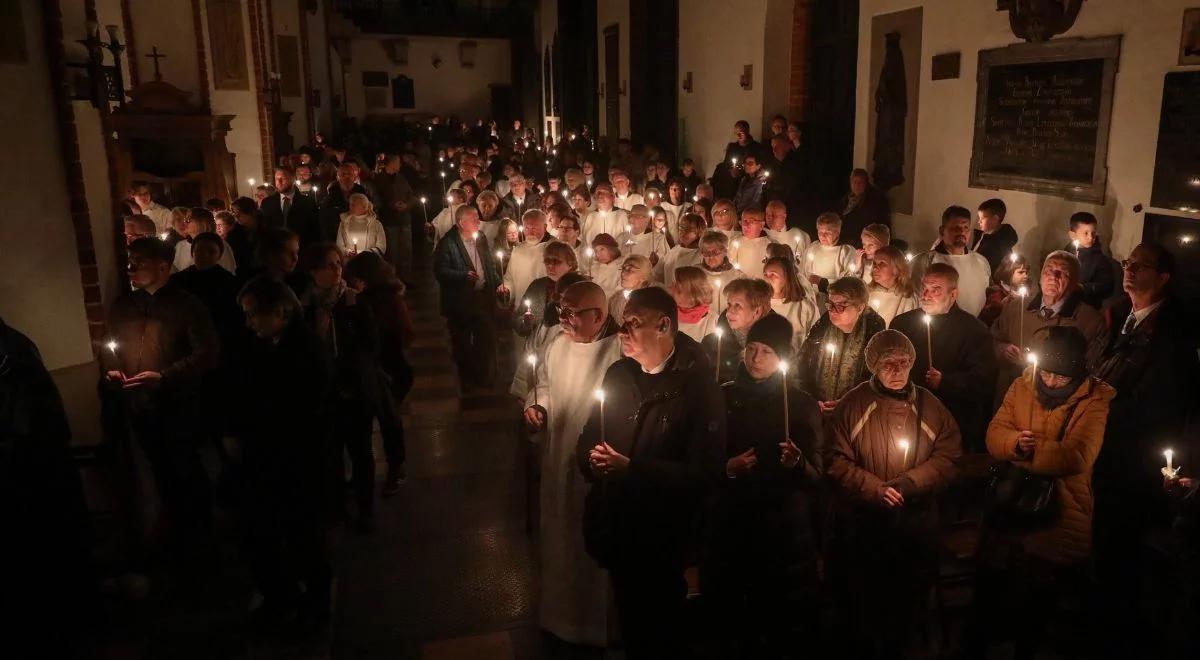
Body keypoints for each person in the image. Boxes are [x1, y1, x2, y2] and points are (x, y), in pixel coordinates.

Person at [577, 286, 726, 659]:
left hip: (665, 534)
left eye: (632, 323)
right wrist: (591, 460)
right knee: (630, 619)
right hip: (619, 524)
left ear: (663, 324)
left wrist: (633, 470)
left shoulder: (698, 388)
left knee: (662, 627)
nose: (622, 331)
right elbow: (590, 435)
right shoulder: (618, 373)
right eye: (623, 321)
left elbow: (704, 472)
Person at [967, 326, 1114, 659]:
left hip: (1059, 510)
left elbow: (1077, 456)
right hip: (1012, 505)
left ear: (1077, 372)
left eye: (1060, 377)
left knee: (1037, 597)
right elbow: (995, 433)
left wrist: (1028, 453)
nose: (1049, 381)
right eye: (1046, 372)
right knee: (991, 580)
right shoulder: (1024, 384)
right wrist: (1014, 444)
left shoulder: (1095, 401)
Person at [1089, 243, 1200, 657]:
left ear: (1165, 277)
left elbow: (1158, 402)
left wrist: (1101, 406)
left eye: (1141, 266)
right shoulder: (1119, 317)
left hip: (1132, 462)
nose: (1129, 271)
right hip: (1103, 450)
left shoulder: (1172, 334)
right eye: (1127, 264)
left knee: (1123, 554)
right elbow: (1094, 367)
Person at [825, 330, 961, 660]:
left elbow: (948, 455)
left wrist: (910, 483)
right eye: (888, 363)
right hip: (865, 523)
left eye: (903, 362)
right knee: (867, 599)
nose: (897, 370)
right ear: (873, 365)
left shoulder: (930, 406)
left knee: (909, 597)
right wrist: (875, 489)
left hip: (915, 521)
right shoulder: (854, 405)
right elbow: (834, 458)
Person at [705, 313, 823, 659]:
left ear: (784, 357)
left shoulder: (799, 406)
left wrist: (797, 463)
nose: (756, 358)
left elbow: (817, 475)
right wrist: (727, 467)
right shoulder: (721, 397)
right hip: (732, 525)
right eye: (752, 349)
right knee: (732, 620)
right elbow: (701, 463)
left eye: (767, 352)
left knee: (778, 620)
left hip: (782, 532)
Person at [103, 238, 219, 564]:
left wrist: (165, 377)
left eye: (138, 262)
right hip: (139, 406)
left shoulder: (187, 305)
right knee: (160, 473)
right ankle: (173, 540)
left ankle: (200, 543)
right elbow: (108, 347)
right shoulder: (124, 306)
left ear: (163, 267)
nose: (130, 269)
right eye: (130, 262)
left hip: (178, 406)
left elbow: (207, 353)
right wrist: (112, 370)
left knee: (187, 472)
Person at [233, 276, 336, 629]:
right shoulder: (262, 345)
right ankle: (283, 597)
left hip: (297, 460)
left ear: (279, 311)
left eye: (251, 315)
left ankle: (314, 605)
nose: (247, 323)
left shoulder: (305, 350)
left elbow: (307, 408)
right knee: (270, 534)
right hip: (270, 459)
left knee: (305, 537)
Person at [523, 282, 623, 648]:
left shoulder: (617, 353)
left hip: (594, 461)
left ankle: (592, 627)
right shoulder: (556, 345)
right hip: (556, 456)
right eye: (560, 310)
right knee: (558, 536)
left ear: (598, 316)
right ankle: (557, 616)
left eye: (571, 313)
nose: (562, 319)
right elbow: (544, 384)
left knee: (587, 543)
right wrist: (537, 406)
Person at [1, 316, 97, 659]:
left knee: (41, 568)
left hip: (32, 479)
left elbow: (33, 423)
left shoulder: (10, 355)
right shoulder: (12, 349)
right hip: (34, 474)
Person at [300, 244, 382, 532]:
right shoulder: (306, 307)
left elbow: (370, 344)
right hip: (323, 392)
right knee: (330, 452)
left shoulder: (354, 302)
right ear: (313, 272)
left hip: (354, 389)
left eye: (338, 263)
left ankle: (366, 508)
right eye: (328, 265)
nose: (336, 269)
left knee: (360, 451)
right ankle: (337, 506)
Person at [891, 263, 998, 453]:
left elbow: (984, 381)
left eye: (936, 290)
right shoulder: (902, 323)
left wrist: (945, 381)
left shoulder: (974, 330)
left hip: (952, 418)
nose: (926, 295)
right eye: (924, 288)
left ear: (953, 294)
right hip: (905, 415)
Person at [343, 251, 414, 494]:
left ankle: (396, 467)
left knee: (389, 420)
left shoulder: (385, 298)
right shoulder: (362, 297)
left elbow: (402, 334)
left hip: (389, 369)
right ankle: (366, 473)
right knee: (372, 422)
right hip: (372, 368)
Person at [991, 250, 1103, 398]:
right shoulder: (1016, 307)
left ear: (1075, 282)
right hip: (1010, 396)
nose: (1053, 277)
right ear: (1041, 275)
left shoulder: (1089, 321)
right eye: (1049, 270)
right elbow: (992, 339)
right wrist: (1002, 349)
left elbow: (1091, 370)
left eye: (1063, 272)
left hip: (1054, 403)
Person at [434, 205, 501, 389]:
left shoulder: (481, 239)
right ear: (461, 223)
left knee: (486, 337)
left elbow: (488, 265)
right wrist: (463, 274)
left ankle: (484, 376)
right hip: (459, 301)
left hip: (481, 298)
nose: (478, 222)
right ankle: (466, 378)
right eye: (474, 219)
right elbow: (440, 271)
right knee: (461, 342)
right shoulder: (447, 243)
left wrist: (498, 283)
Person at [798, 276, 885, 412]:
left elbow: (875, 378)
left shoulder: (874, 332)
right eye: (830, 304)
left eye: (840, 306)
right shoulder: (823, 325)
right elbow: (803, 363)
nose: (832, 310)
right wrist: (812, 399)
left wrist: (847, 402)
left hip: (855, 410)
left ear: (860, 308)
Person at [912, 205, 992, 316]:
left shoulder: (981, 261)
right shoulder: (924, 261)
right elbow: (916, 299)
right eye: (955, 228)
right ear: (942, 231)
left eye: (965, 228)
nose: (961, 232)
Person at [701, 278, 774, 384]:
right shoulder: (711, 344)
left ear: (757, 311)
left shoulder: (777, 349)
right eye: (729, 305)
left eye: (738, 306)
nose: (729, 312)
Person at [762, 255, 819, 356]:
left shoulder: (805, 307)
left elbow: (816, 340)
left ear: (787, 278)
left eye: (773, 275)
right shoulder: (758, 304)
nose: (767, 279)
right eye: (765, 275)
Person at [374, 154, 416, 281]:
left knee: (406, 250)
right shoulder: (379, 179)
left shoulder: (401, 178)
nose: (400, 165)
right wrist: (392, 205)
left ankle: (406, 278)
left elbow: (412, 195)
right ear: (391, 163)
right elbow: (377, 199)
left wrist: (407, 205)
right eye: (398, 162)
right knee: (392, 252)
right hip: (389, 220)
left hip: (404, 219)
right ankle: (393, 279)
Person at [499, 209, 551, 306]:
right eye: (527, 228)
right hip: (521, 307)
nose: (530, 232)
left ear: (545, 227)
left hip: (545, 308)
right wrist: (506, 289)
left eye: (534, 228)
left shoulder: (554, 248)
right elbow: (510, 278)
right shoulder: (518, 250)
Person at [261, 166, 322, 248]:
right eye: (276, 179)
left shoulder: (308, 203)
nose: (279, 182)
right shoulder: (267, 203)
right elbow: (264, 230)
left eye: (283, 178)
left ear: (293, 179)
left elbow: (315, 231)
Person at [1066, 211, 1115, 308]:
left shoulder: (1100, 259)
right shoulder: (1065, 254)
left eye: (1093, 233)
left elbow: (1106, 285)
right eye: (1086, 233)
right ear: (1073, 235)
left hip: (1087, 306)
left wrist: (1084, 288)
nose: (1091, 237)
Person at [800, 212, 857, 290]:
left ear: (837, 232)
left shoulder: (846, 251)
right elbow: (803, 271)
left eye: (827, 232)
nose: (823, 236)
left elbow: (850, 278)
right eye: (820, 232)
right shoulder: (813, 248)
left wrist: (823, 282)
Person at [866, 245, 918, 326]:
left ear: (897, 270)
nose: (875, 268)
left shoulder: (908, 298)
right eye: (874, 263)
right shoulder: (866, 294)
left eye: (882, 263)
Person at [174, 208, 237, 274]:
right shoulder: (180, 246)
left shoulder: (219, 245)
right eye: (185, 220)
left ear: (202, 222)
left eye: (188, 220)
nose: (184, 223)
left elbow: (227, 272)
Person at [697, 231, 747, 314]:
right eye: (706, 253)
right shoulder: (695, 274)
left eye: (715, 252)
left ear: (725, 251)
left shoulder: (738, 277)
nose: (711, 257)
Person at [836, 169, 890, 245]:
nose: (857, 185)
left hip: (861, 242)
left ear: (866, 184)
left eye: (860, 182)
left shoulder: (874, 202)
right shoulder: (846, 199)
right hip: (844, 240)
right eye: (854, 182)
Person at [320, 161, 369, 242]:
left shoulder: (363, 195)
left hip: (361, 237)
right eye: (343, 175)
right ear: (337, 177)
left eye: (350, 174)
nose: (347, 177)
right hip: (337, 239)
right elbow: (324, 221)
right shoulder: (330, 197)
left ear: (354, 177)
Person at [979, 252, 1030, 327]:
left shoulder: (1025, 293)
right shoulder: (997, 293)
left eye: (1026, 272)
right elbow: (986, 318)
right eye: (1021, 272)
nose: (1025, 276)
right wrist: (1000, 306)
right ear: (1008, 272)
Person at [971, 198, 1019, 273]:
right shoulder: (982, 236)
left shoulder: (1001, 244)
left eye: (982, 218)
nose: (978, 221)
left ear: (995, 219)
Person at [671, 266, 718, 342]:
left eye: (678, 288)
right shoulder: (669, 314)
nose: (671, 288)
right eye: (673, 284)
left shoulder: (711, 321)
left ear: (693, 295)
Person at [658, 213, 704, 287]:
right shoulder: (675, 250)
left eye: (688, 229)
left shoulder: (701, 255)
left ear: (700, 232)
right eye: (681, 228)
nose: (683, 232)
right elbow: (658, 273)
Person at [729, 207, 773, 279]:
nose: (746, 225)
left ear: (761, 225)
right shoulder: (735, 242)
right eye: (744, 221)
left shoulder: (769, 244)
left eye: (751, 221)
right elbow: (730, 264)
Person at [609, 255, 656, 319]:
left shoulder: (652, 303)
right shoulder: (615, 300)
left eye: (630, 270)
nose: (622, 273)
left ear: (644, 276)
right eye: (623, 268)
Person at [227, 197, 262, 273]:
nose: (236, 216)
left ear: (251, 212)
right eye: (233, 212)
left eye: (239, 213)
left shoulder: (266, 229)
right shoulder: (233, 234)